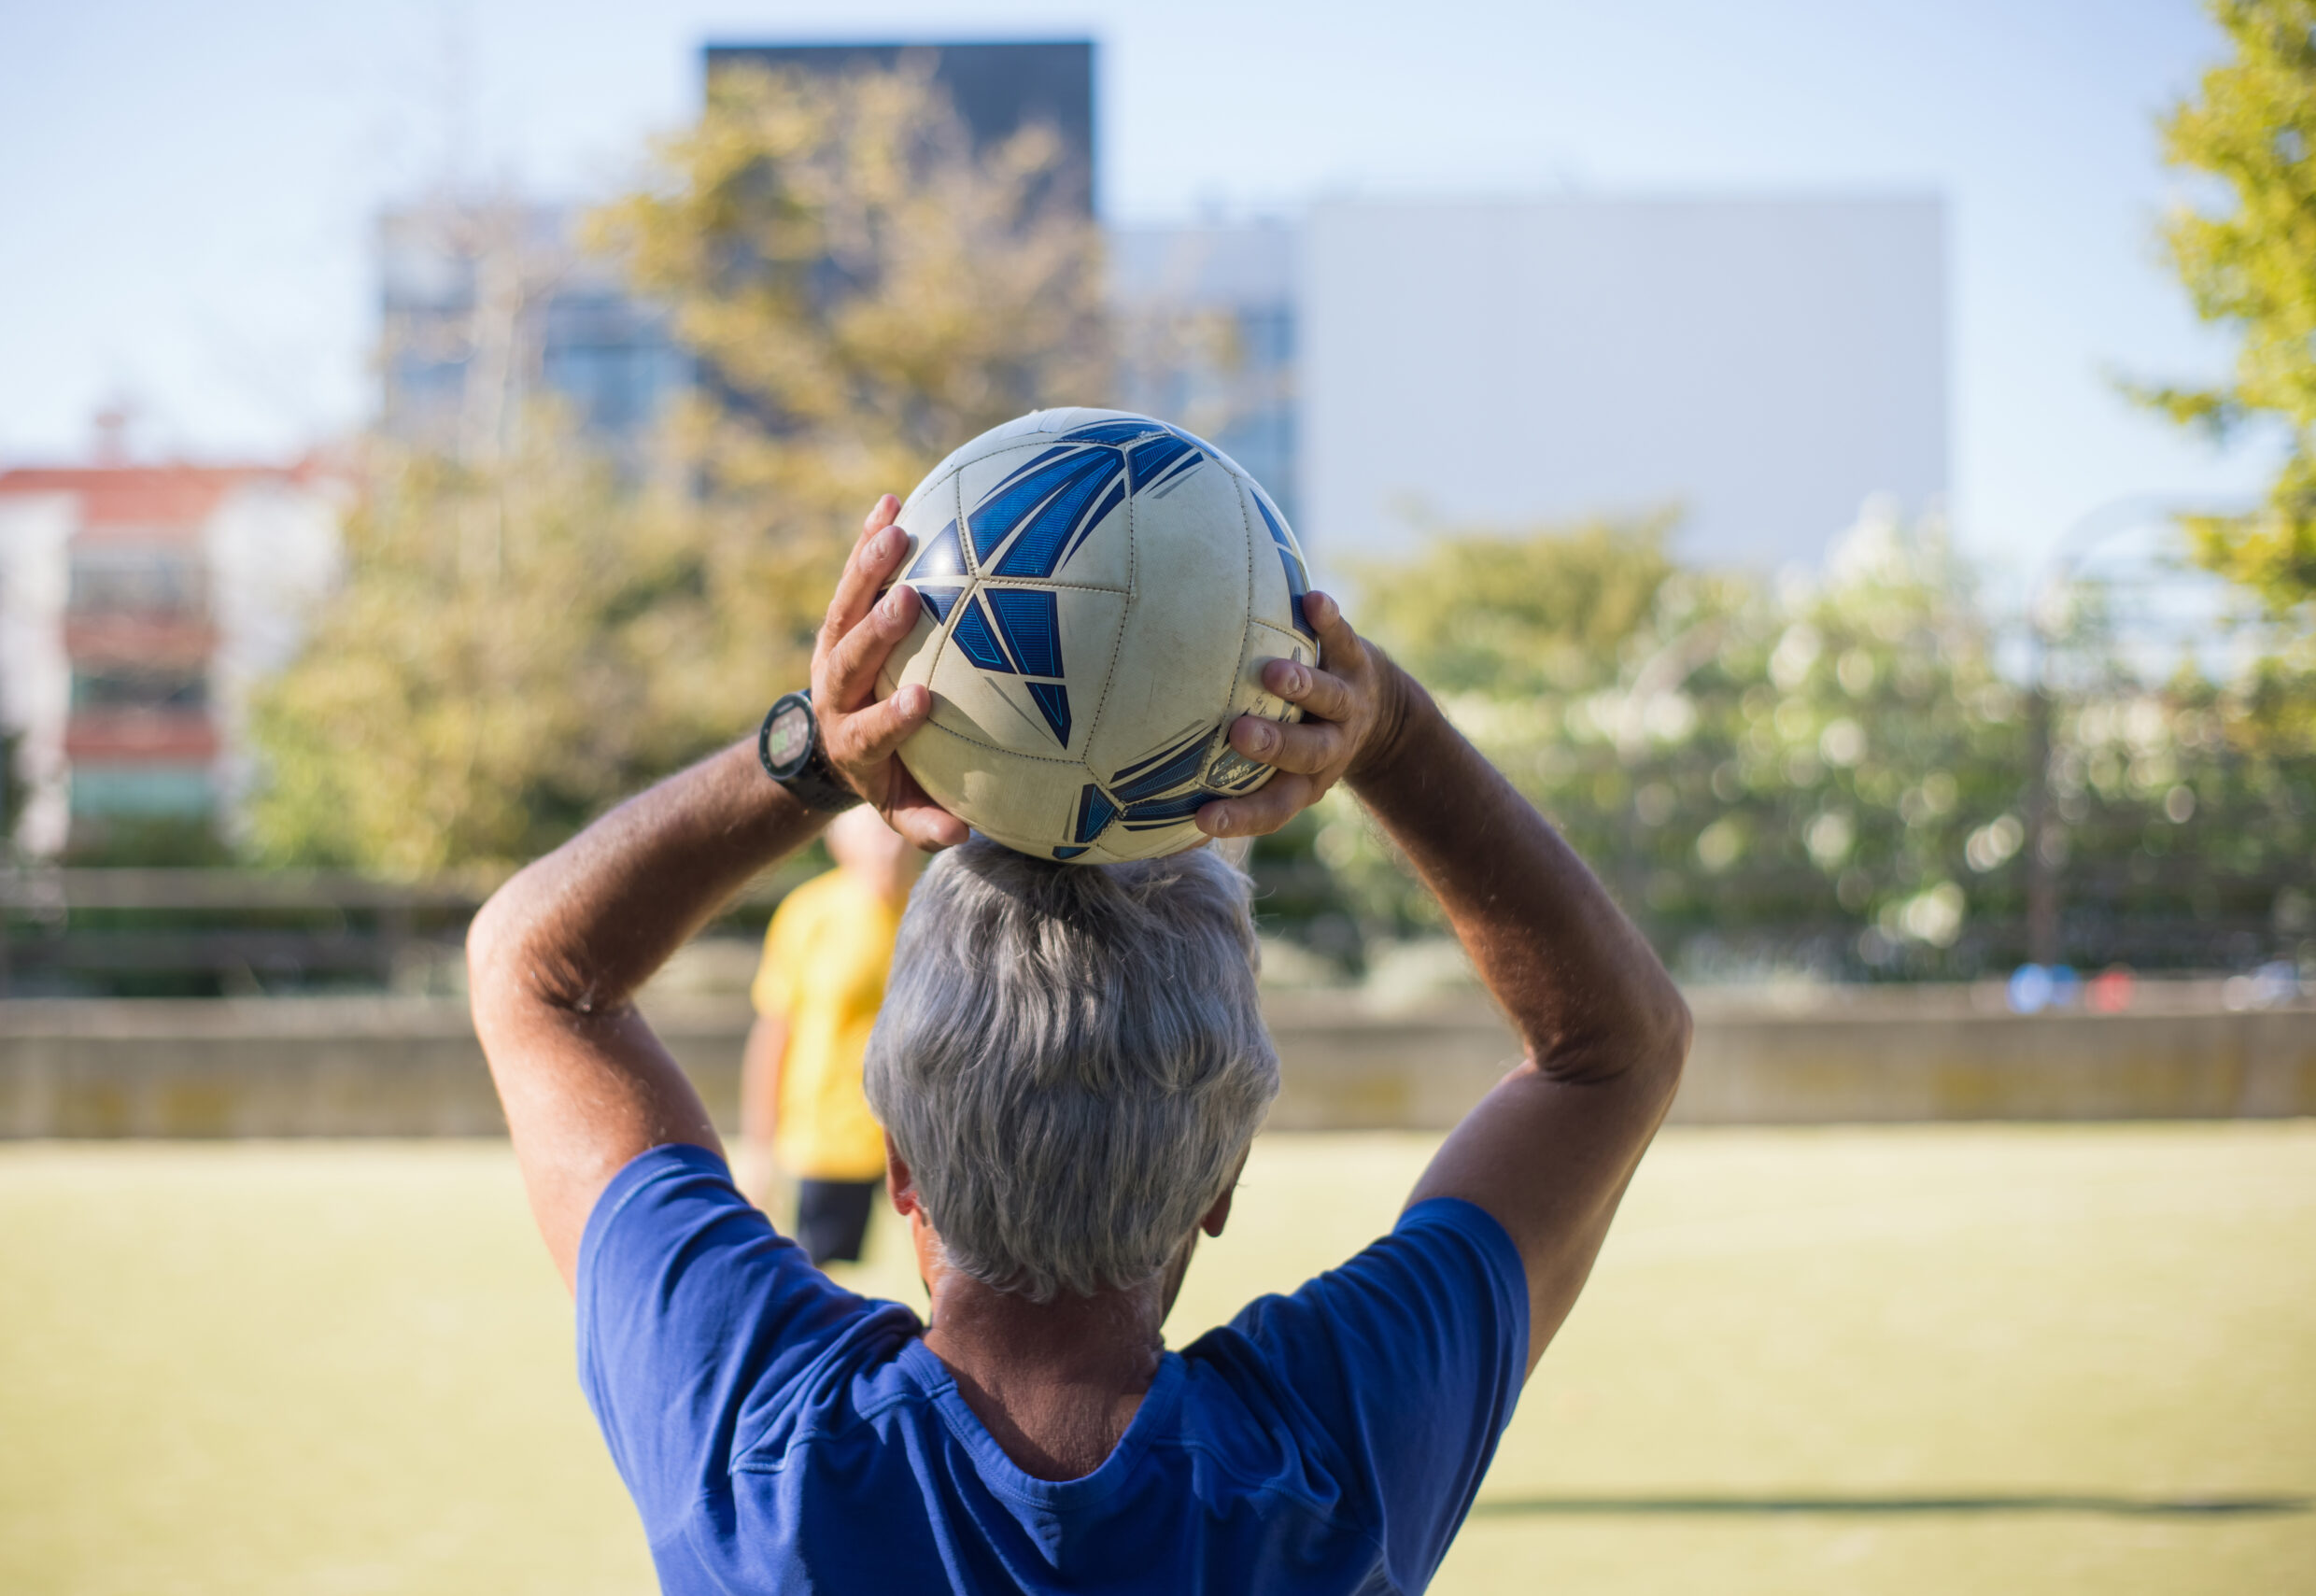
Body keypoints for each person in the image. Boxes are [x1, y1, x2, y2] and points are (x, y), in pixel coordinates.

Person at [467, 494, 1691, 1593]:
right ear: (1218, 1187)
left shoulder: (762, 1455)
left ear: (901, 1166)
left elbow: (537, 974)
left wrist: (811, 752)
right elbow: (1616, 1051)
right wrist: (1390, 734)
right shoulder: (1326, 1461)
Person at [738, 804, 921, 1263]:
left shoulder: (937, 914)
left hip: (921, 1141)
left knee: (949, 1285)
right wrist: (760, 1149)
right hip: (826, 1144)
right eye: (878, 833)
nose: (891, 845)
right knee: (818, 1284)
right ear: (841, 845)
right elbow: (774, 1035)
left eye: (898, 833)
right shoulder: (809, 914)